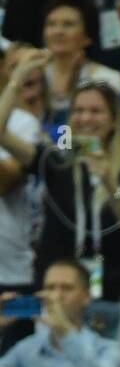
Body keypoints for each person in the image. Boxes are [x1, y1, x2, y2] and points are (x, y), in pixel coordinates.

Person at [0, 54, 120, 303]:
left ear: (112, 121)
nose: (85, 118)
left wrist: (109, 181)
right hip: (55, 292)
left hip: (109, 293)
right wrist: (18, 79)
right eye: (78, 110)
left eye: (95, 111)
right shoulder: (55, 161)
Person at [40, 0, 120, 128]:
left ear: (88, 37)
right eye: (51, 24)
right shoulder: (34, 74)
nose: (58, 31)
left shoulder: (107, 78)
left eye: (68, 25)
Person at [0, 47, 46, 293]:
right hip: (14, 263)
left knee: (22, 328)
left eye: (30, 64)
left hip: (21, 271)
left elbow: (4, 183)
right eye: (15, 67)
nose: (24, 72)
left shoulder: (64, 122)